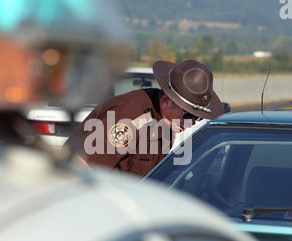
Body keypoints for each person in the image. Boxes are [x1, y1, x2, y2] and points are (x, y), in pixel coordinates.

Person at [66, 59, 224, 177]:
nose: (192, 122)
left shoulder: (167, 125)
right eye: (188, 115)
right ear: (167, 102)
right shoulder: (129, 118)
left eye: (198, 117)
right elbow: (79, 167)